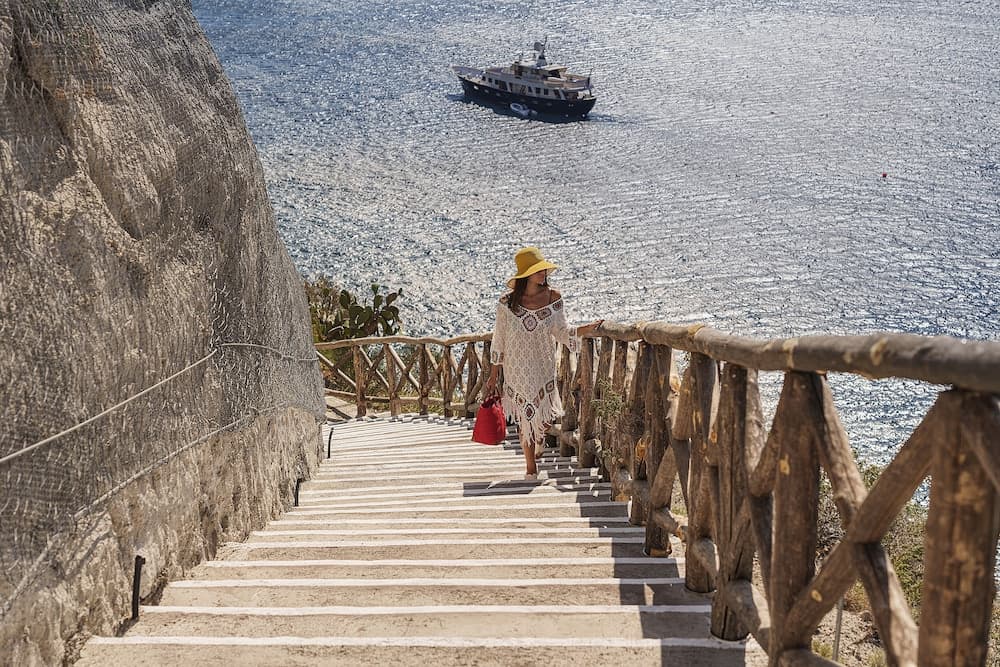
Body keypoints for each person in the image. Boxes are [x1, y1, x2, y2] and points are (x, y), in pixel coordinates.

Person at [484, 247, 603, 479]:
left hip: (542, 365)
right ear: (526, 274)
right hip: (516, 368)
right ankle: (531, 469)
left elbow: (561, 331)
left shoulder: (553, 297)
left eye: (544, 269)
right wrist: (494, 374)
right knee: (525, 418)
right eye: (538, 270)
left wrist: (585, 329)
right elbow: (499, 339)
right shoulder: (506, 303)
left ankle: (539, 439)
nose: (544, 273)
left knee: (546, 419)